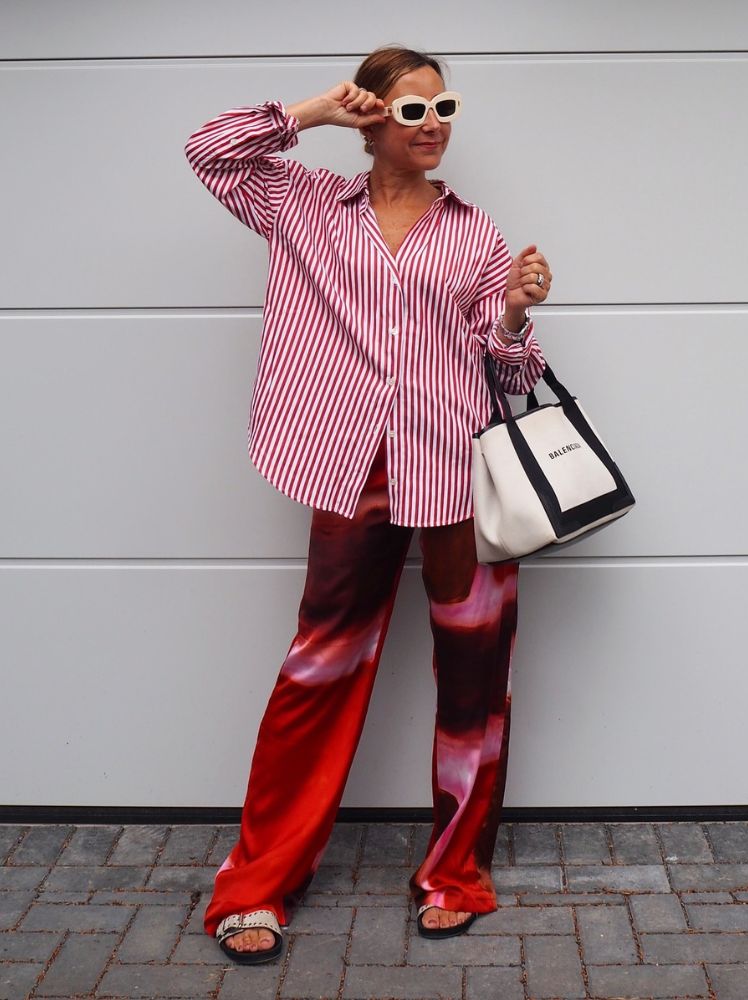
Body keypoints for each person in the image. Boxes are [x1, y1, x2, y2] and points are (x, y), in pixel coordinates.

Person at [184, 45, 552, 965]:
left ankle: (454, 875)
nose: (436, 126)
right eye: (416, 110)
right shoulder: (300, 203)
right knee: (321, 670)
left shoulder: (473, 231)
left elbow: (508, 368)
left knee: (475, 678)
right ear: (374, 116)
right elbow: (208, 150)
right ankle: (258, 883)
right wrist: (312, 111)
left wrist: (512, 314)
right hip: (353, 472)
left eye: (447, 108)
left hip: (455, 477)